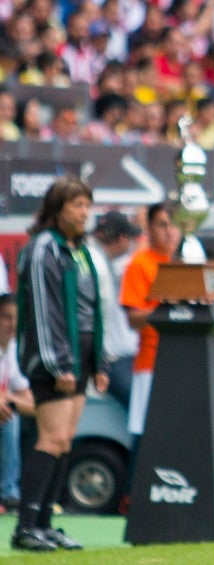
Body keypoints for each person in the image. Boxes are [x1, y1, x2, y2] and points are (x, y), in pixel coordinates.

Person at [13, 178, 109, 551]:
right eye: (76, 205)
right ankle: (26, 526)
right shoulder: (42, 249)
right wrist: (57, 365)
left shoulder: (81, 250)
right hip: (54, 357)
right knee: (50, 438)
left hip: (81, 354)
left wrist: (97, 360)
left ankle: (46, 524)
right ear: (57, 209)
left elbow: (92, 310)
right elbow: (43, 312)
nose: (84, 213)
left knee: (65, 440)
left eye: (87, 205)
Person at [120, 203, 179, 444]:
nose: (169, 231)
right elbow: (133, 319)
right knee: (148, 440)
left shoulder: (182, 262)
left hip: (183, 360)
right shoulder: (140, 263)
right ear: (150, 228)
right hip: (151, 362)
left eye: (173, 225)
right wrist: (163, 307)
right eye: (162, 224)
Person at [87, 211, 141, 410]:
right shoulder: (103, 262)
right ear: (121, 239)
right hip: (112, 362)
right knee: (143, 410)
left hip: (117, 359)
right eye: (130, 239)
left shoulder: (101, 260)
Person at [0, 294, 34, 513]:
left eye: (15, 318)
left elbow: (31, 402)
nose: (12, 324)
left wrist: (9, 400)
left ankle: (10, 494)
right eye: (5, 317)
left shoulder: (12, 349)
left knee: (10, 414)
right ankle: (8, 491)